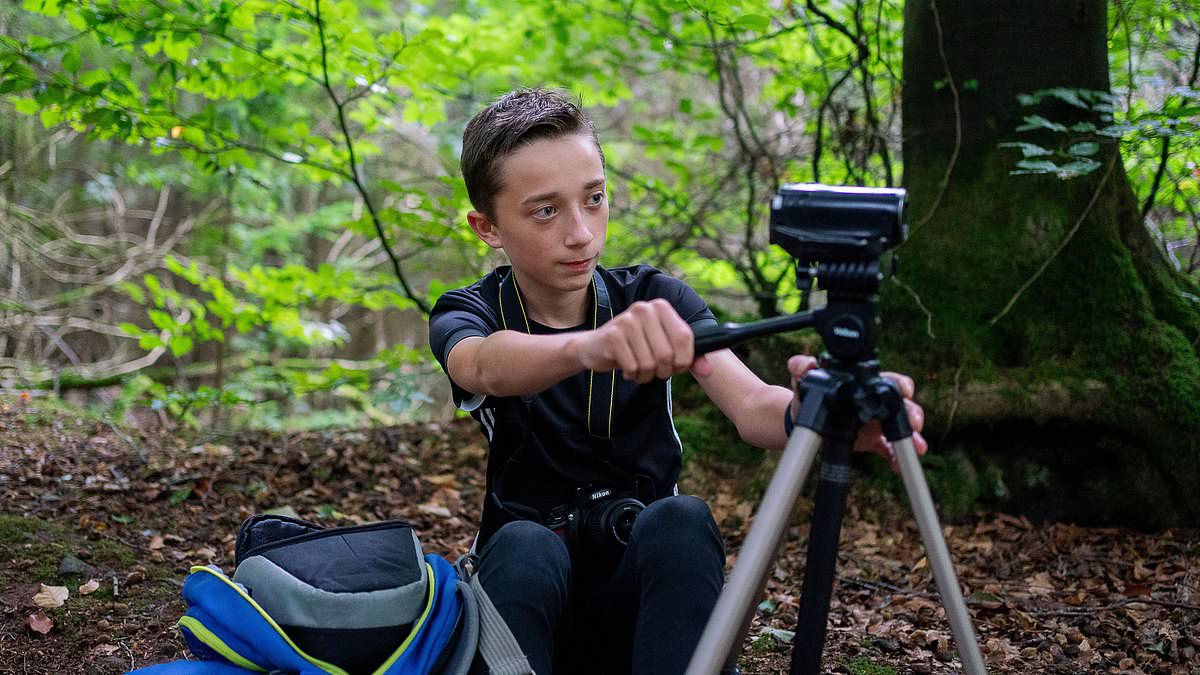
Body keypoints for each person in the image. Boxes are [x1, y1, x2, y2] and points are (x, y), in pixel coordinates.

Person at [427, 88, 927, 675]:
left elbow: (751, 406)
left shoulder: (653, 298)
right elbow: (481, 364)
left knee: (680, 519)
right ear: (487, 228)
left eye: (594, 198)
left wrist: (816, 412)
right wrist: (590, 346)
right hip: (522, 617)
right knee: (522, 543)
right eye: (546, 211)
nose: (581, 233)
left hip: (643, 613)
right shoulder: (470, 310)